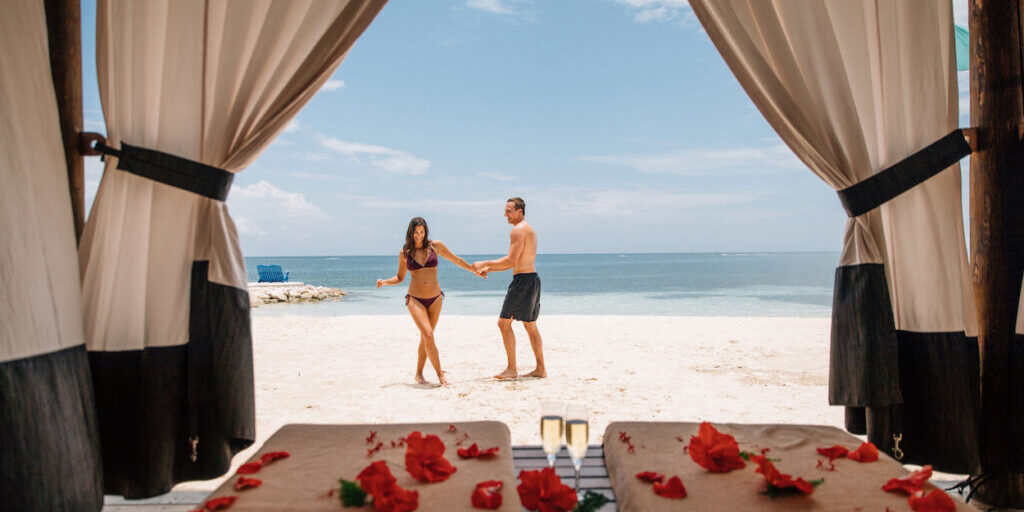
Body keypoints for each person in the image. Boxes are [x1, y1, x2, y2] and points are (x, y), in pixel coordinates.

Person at [377, 217, 484, 386]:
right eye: (416, 232)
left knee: (426, 338)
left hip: (435, 299)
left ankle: (419, 374)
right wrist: (384, 282)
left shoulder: (436, 246)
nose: (419, 235)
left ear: (425, 231)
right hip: (415, 299)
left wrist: (473, 269)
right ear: (410, 233)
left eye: (422, 232)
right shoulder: (405, 253)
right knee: (428, 334)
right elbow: (399, 277)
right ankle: (440, 375)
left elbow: (456, 259)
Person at [473, 197, 546, 380]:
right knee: (530, 325)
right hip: (532, 279)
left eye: (509, 211)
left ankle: (512, 369)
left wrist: (485, 263)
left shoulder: (517, 230)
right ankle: (540, 368)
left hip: (522, 281)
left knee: (503, 323)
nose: (505, 214)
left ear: (519, 211)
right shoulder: (529, 229)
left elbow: (510, 261)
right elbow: (515, 261)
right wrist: (489, 268)